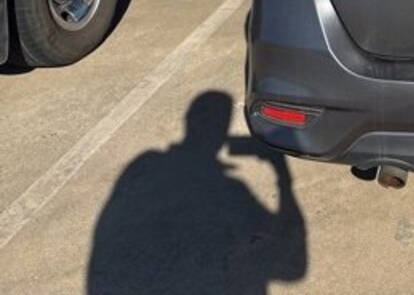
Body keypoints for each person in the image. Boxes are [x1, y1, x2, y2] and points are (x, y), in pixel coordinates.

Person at [87, 91, 306, 294]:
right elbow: (294, 269)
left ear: (187, 121)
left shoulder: (145, 166)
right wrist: (282, 175)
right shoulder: (231, 191)